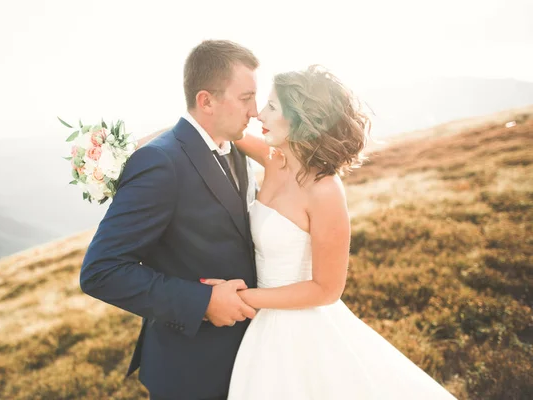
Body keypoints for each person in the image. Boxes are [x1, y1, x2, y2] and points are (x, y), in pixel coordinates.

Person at [199, 65, 457, 399]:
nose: (258, 113)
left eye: (272, 107)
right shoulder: (273, 158)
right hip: (263, 326)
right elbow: (207, 132)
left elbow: (327, 289)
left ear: (302, 120)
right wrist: (123, 153)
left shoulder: (325, 191)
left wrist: (240, 299)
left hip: (301, 331)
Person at [79, 40, 260, 400]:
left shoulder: (235, 149)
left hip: (251, 357)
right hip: (192, 371)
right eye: (245, 98)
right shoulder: (160, 163)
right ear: (206, 101)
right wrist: (203, 303)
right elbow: (101, 270)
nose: (255, 111)